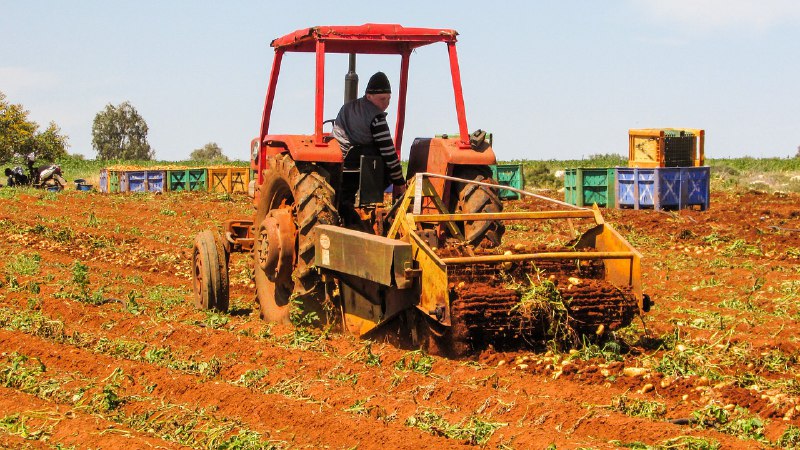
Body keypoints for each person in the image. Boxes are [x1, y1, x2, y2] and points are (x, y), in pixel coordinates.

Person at [332, 71, 406, 206]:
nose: (386, 104)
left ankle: (345, 204)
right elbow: (389, 154)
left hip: (336, 167)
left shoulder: (346, 108)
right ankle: (368, 204)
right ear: (369, 96)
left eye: (389, 99)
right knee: (386, 164)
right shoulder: (377, 118)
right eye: (382, 99)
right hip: (357, 170)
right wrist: (400, 182)